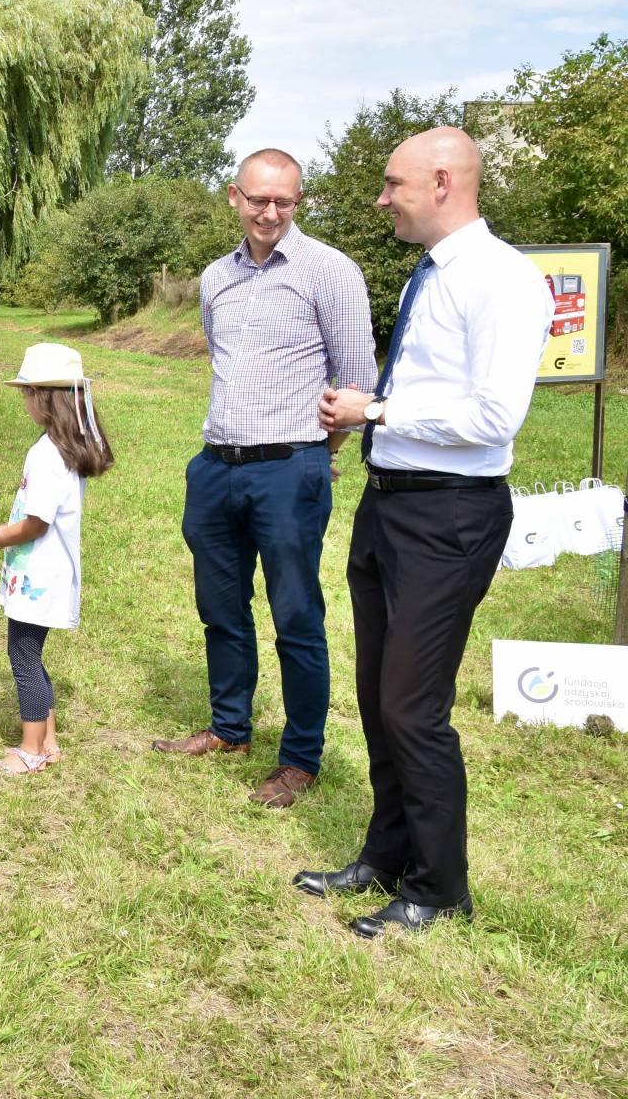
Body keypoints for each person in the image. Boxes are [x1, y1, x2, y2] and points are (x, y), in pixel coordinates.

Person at [301, 127, 551, 937]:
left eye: (392, 183)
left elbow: (493, 416)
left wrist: (376, 409)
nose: (382, 198)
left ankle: (441, 889)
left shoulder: (503, 280)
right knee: (379, 698)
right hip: (390, 505)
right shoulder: (430, 275)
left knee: (414, 706)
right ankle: (386, 854)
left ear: (442, 182)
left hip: (450, 514)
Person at [152, 148, 376, 809]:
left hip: (290, 469)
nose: (270, 212)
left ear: (298, 201)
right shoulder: (214, 278)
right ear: (234, 197)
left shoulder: (330, 271)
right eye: (258, 199)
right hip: (216, 468)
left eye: (284, 201)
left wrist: (316, 451)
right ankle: (230, 728)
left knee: (296, 614)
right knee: (220, 608)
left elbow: (356, 383)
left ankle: (301, 757)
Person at [0, 345, 115, 775]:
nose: (25, 402)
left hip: (39, 577)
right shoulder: (71, 445)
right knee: (31, 653)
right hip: (47, 575)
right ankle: (48, 742)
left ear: (43, 398)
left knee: (23, 658)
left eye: (27, 393)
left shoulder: (47, 454)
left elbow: (35, 523)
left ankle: (29, 748)